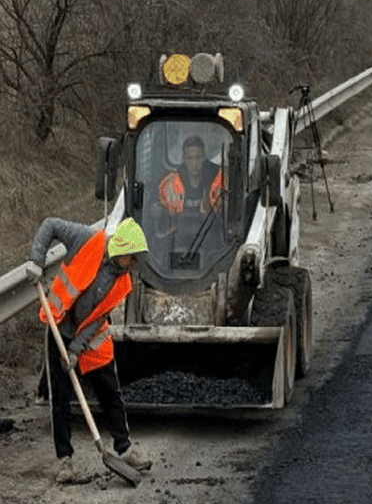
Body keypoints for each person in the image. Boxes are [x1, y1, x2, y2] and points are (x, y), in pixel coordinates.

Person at [26, 217, 154, 483]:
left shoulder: (123, 282)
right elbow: (49, 224)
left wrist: (76, 349)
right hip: (58, 323)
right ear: (121, 249)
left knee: (110, 392)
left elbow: (98, 318)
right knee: (60, 396)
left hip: (89, 337)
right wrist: (36, 260)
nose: (133, 263)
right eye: (132, 257)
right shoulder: (87, 238)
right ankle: (65, 461)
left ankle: (125, 449)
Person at [158, 135, 224, 217]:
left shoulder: (219, 179)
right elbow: (159, 210)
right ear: (183, 159)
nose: (194, 163)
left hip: (211, 227)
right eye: (189, 158)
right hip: (179, 228)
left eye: (198, 158)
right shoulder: (171, 183)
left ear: (204, 157)